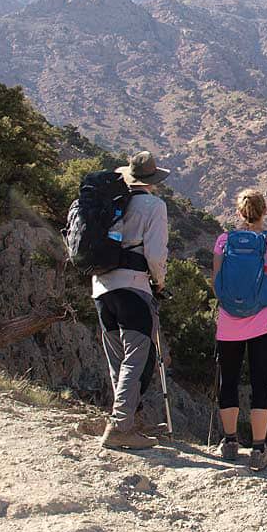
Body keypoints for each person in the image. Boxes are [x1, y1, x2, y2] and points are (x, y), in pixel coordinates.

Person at [93, 151, 170, 450]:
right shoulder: (154, 206)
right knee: (138, 357)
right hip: (134, 287)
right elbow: (154, 253)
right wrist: (159, 281)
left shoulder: (110, 203)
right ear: (151, 180)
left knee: (119, 361)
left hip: (101, 288)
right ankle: (122, 426)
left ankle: (126, 418)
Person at [212, 189, 267, 471]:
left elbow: (217, 282)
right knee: (260, 383)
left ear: (239, 213)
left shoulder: (223, 241)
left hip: (228, 323)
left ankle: (229, 442)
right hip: (263, 322)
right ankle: (259, 449)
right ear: (264, 211)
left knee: (228, 381)